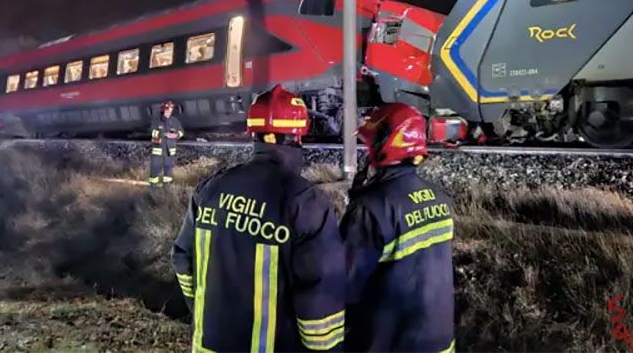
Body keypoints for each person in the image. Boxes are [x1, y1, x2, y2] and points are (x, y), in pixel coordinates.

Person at [170, 84, 345, 352]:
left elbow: (181, 258)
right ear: (298, 137)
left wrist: (201, 309)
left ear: (252, 134)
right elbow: (320, 295)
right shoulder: (305, 203)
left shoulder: (211, 189)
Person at [341, 103, 456, 353]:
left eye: (369, 144)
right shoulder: (440, 198)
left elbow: (344, 285)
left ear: (382, 146)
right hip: (440, 343)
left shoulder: (371, 208)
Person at [149, 100, 184, 186]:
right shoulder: (156, 121)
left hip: (169, 152)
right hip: (158, 151)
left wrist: (176, 135)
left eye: (170, 110)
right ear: (163, 110)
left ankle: (167, 187)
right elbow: (152, 132)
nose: (169, 112)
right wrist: (164, 134)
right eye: (167, 110)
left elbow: (181, 131)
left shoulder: (174, 121)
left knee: (168, 170)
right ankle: (153, 188)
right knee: (155, 169)